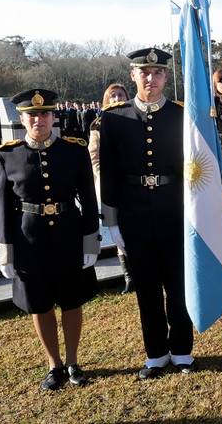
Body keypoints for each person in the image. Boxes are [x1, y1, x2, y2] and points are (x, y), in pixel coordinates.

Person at [0, 88, 100, 391]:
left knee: (71, 301)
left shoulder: (73, 150)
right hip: (30, 240)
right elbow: (3, 206)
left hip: (68, 234)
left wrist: (90, 239)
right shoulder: (7, 154)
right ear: (23, 119)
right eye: (31, 115)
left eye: (44, 114)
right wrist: (6, 249)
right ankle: (54, 364)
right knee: (40, 304)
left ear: (54, 116)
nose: (38, 119)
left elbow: (88, 199)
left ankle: (73, 362)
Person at [100, 47, 195, 378]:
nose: (150, 79)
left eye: (157, 73)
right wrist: (111, 221)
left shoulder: (182, 115)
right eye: (144, 73)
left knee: (178, 285)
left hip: (174, 209)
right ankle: (155, 352)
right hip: (134, 211)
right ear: (133, 75)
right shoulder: (114, 118)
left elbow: (194, 169)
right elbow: (108, 172)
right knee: (147, 287)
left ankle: (182, 349)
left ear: (166, 77)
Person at [88, 83, 134, 294]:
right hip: (113, 186)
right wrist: (105, 179)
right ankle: (128, 276)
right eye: (112, 95)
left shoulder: (137, 118)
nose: (116, 98)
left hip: (135, 184)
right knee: (119, 230)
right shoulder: (98, 125)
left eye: (120, 95)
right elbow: (94, 156)